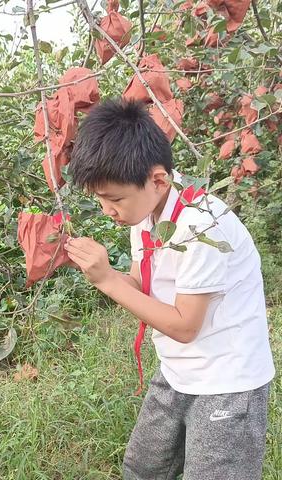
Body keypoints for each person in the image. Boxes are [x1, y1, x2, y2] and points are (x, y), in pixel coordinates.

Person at [64, 98, 275, 480]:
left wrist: (108, 281)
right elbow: (141, 287)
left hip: (227, 381)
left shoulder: (201, 226)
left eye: (114, 199)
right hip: (179, 371)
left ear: (158, 179)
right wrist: (102, 270)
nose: (107, 210)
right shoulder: (144, 214)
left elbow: (183, 325)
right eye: (99, 199)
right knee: (143, 468)